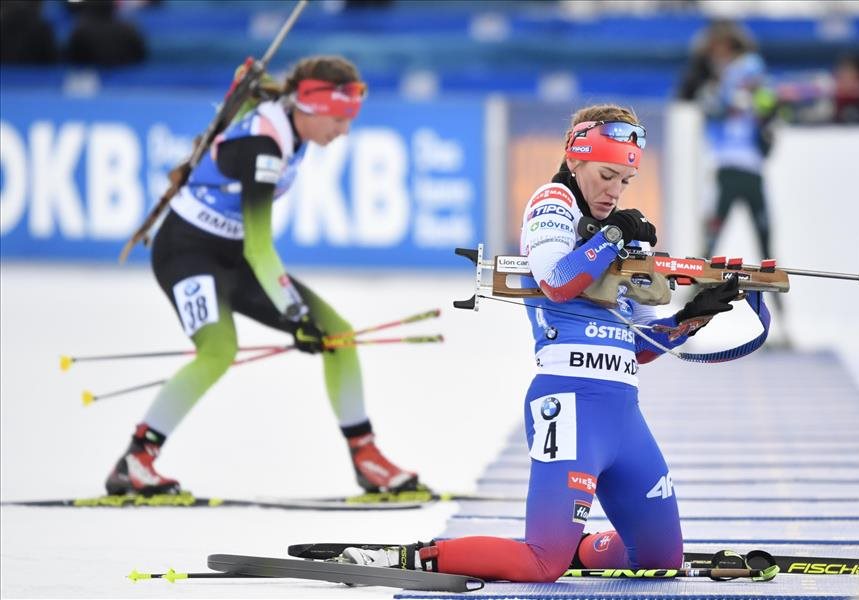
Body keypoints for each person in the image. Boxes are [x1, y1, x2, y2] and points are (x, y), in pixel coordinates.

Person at [340, 104, 743, 581]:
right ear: (575, 159)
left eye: (624, 181)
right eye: (606, 175)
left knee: (660, 558)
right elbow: (556, 280)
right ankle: (416, 557)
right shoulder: (553, 202)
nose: (614, 191)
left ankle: (581, 550)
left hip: (623, 412)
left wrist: (692, 317)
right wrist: (615, 234)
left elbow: (636, 345)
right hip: (569, 406)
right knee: (542, 562)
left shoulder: (619, 233)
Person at [104, 56, 418, 496]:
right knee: (218, 350)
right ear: (310, 108)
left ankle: (367, 457)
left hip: (234, 257)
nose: (344, 130)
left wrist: (250, 79)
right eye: (338, 119)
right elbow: (259, 246)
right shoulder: (264, 149)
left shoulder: (288, 119)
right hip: (187, 253)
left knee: (338, 336)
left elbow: (257, 89)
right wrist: (296, 315)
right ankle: (135, 459)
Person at [680, 20, 776, 263]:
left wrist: (759, 108)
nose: (718, 56)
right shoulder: (712, 81)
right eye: (715, 51)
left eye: (722, 49)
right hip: (726, 165)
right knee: (714, 229)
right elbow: (701, 101)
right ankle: (699, 274)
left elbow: (766, 105)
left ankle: (772, 278)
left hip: (752, 165)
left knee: (763, 231)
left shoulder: (750, 67)